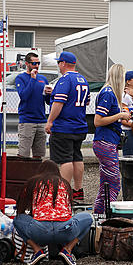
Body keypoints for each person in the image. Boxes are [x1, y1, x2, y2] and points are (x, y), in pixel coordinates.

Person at [13, 160, 94, 265]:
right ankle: (68, 250)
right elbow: (69, 211)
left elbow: (20, 208)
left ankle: (37, 250)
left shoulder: (33, 183)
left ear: (40, 171)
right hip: (66, 230)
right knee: (88, 218)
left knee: (18, 219)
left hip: (40, 232)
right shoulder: (65, 184)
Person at [45, 51, 90, 202]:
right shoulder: (82, 79)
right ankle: (78, 189)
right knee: (77, 157)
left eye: (59, 62)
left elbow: (59, 103)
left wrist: (50, 121)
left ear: (63, 63)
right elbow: (87, 101)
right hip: (80, 124)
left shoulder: (65, 79)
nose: (58, 65)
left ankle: (64, 191)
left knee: (65, 159)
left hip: (65, 125)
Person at [93, 63, 132, 214]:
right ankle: (109, 213)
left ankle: (99, 214)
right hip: (105, 141)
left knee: (106, 183)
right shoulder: (109, 93)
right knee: (114, 182)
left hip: (108, 141)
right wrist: (120, 115)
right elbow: (98, 121)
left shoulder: (110, 93)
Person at [15, 52, 51, 159]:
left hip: (41, 120)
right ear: (27, 63)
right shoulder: (21, 78)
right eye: (34, 63)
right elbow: (24, 96)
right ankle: (22, 175)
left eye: (38, 63)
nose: (37, 66)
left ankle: (36, 175)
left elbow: (48, 101)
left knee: (39, 155)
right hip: (27, 121)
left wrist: (50, 94)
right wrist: (32, 79)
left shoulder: (43, 79)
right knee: (23, 154)